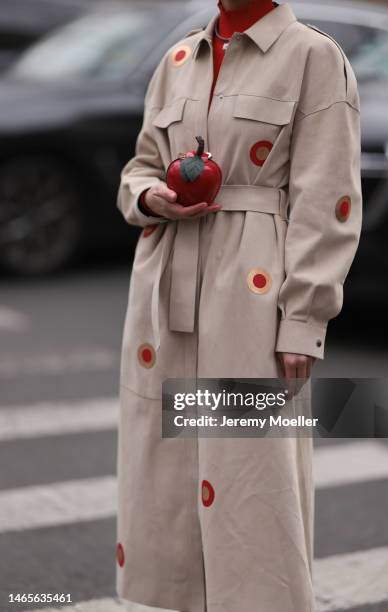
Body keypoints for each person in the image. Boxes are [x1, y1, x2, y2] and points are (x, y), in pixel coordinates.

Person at [115, 0, 362, 610]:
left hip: (251, 290)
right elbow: (139, 166)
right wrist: (151, 197)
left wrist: (303, 318)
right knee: (164, 465)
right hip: (166, 276)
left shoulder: (313, 56)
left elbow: (327, 197)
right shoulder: (178, 58)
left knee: (250, 467)